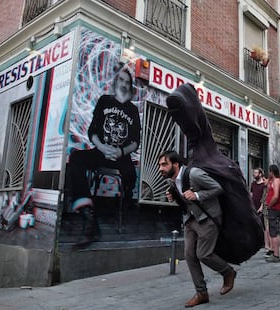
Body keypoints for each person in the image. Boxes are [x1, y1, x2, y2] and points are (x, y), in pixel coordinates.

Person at [67, 68, 141, 244]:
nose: (124, 84)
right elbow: (92, 130)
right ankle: (88, 216)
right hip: (101, 150)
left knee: (131, 175)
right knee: (76, 159)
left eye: (127, 82)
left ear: (130, 86)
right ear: (116, 82)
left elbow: (136, 142)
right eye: (121, 80)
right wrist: (102, 147)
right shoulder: (104, 101)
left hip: (122, 156)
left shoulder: (132, 110)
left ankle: (125, 206)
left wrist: (121, 151)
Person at [158, 150, 236, 308]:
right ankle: (201, 293)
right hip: (190, 220)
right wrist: (174, 198)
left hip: (208, 218)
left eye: (164, 164)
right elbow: (185, 200)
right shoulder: (172, 181)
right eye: (160, 165)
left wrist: (198, 195)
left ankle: (228, 272)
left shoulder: (194, 174)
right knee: (189, 255)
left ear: (176, 164)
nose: (161, 168)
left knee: (203, 254)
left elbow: (218, 188)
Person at [264, 164, 280, 263]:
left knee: (273, 233)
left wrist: (269, 205)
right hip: (278, 209)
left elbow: (276, 196)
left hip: (274, 208)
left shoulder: (276, 181)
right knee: (275, 231)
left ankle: (276, 255)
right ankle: (275, 253)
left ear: (272, 171)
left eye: (269, 172)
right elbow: (266, 184)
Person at [256, 173, 272, 257]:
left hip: (270, 210)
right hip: (265, 210)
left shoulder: (271, 188)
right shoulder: (265, 188)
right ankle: (267, 245)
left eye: (264, 180)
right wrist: (260, 208)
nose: (263, 181)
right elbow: (263, 198)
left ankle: (271, 247)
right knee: (266, 229)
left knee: (269, 229)